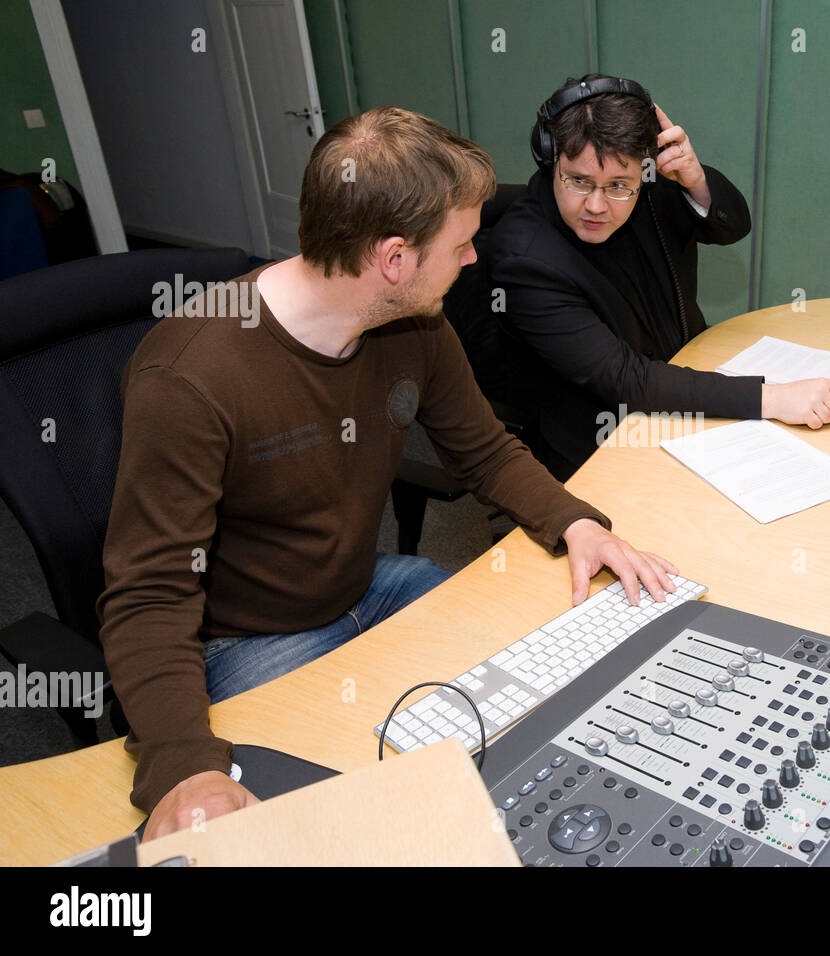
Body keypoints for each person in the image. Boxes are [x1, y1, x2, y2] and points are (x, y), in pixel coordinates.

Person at [97, 107, 679, 841]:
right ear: (395, 259)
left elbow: (485, 449)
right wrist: (184, 767)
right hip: (248, 637)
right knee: (353, 823)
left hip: (364, 583)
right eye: (464, 245)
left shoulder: (414, 325)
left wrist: (576, 521)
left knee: (537, 693)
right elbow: (148, 593)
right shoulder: (190, 376)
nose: (474, 261)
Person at [489, 74, 830, 480]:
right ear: (551, 159)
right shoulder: (524, 259)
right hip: (602, 438)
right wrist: (771, 399)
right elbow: (624, 379)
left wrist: (695, 178)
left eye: (619, 185)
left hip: (686, 385)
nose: (597, 205)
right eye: (579, 181)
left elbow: (732, 225)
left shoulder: (651, 189)